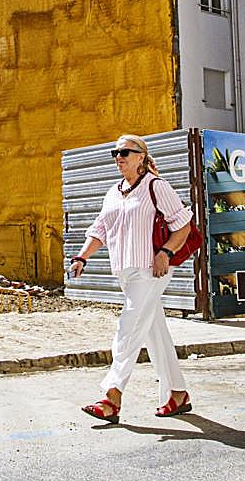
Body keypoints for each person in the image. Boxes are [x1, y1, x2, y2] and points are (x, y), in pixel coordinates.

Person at [68, 133, 195, 423]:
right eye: (115, 153)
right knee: (154, 331)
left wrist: (165, 252)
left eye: (125, 152)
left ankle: (111, 397)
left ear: (141, 156)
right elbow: (100, 228)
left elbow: (183, 225)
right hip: (125, 272)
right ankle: (177, 394)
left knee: (128, 327)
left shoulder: (156, 186)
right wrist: (82, 257)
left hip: (151, 269)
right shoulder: (114, 192)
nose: (118, 157)